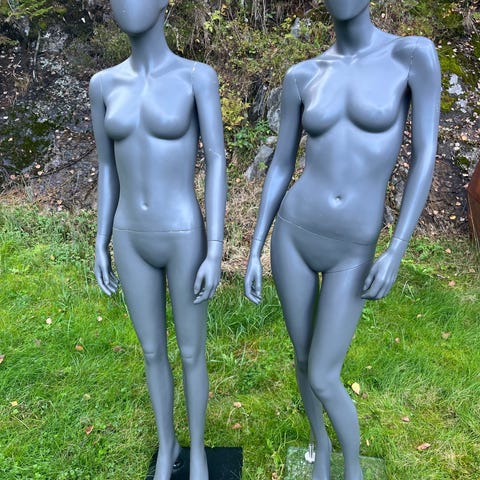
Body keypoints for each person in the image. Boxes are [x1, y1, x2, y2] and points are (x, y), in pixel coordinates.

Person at [244, 1, 440, 479]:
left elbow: (425, 154)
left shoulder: (411, 56)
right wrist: (255, 246)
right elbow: (281, 165)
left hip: (353, 245)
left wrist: (396, 247)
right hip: (294, 233)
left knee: (324, 373)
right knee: (303, 357)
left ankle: (352, 466)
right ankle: (321, 447)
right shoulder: (303, 75)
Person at [89, 1, 226, 479]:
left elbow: (217, 159)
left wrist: (215, 248)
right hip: (129, 234)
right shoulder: (104, 85)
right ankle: (168, 447)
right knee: (151, 351)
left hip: (183, 233)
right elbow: (107, 166)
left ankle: (199, 452)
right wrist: (100, 238)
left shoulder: (196, 77)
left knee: (191, 351)